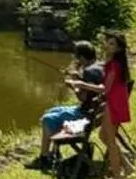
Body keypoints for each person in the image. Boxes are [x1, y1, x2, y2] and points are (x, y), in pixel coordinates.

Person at [26, 41, 101, 170]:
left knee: (47, 119)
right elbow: (91, 88)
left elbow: (82, 97)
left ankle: (45, 158)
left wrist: (73, 86)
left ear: (81, 58)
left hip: (85, 115)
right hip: (95, 112)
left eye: (77, 58)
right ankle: (51, 153)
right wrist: (78, 77)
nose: (76, 60)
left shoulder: (89, 71)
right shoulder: (99, 66)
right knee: (51, 111)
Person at [98, 32, 135, 179]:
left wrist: (80, 84)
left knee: (111, 142)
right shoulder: (114, 63)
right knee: (103, 136)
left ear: (119, 49)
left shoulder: (114, 65)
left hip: (113, 105)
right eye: (108, 42)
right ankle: (126, 166)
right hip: (115, 103)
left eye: (112, 44)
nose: (108, 45)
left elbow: (105, 89)